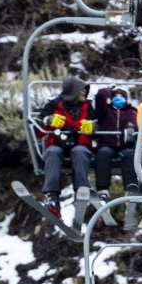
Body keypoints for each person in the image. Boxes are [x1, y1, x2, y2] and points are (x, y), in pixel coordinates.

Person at [35, 75, 94, 217]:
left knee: (80, 152)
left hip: (80, 144)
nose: (84, 93)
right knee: (53, 152)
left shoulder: (88, 106)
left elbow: (100, 125)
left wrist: (93, 127)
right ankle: (52, 197)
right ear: (73, 92)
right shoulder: (53, 105)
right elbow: (37, 128)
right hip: (57, 143)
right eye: (81, 90)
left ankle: (81, 193)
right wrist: (48, 120)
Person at [92, 85, 139, 202]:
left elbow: (136, 125)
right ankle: (103, 189)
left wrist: (131, 128)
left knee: (129, 155)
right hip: (107, 143)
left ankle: (130, 188)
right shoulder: (105, 111)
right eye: (116, 96)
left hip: (125, 145)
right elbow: (100, 98)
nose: (119, 98)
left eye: (121, 96)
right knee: (103, 153)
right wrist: (107, 90)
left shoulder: (131, 111)